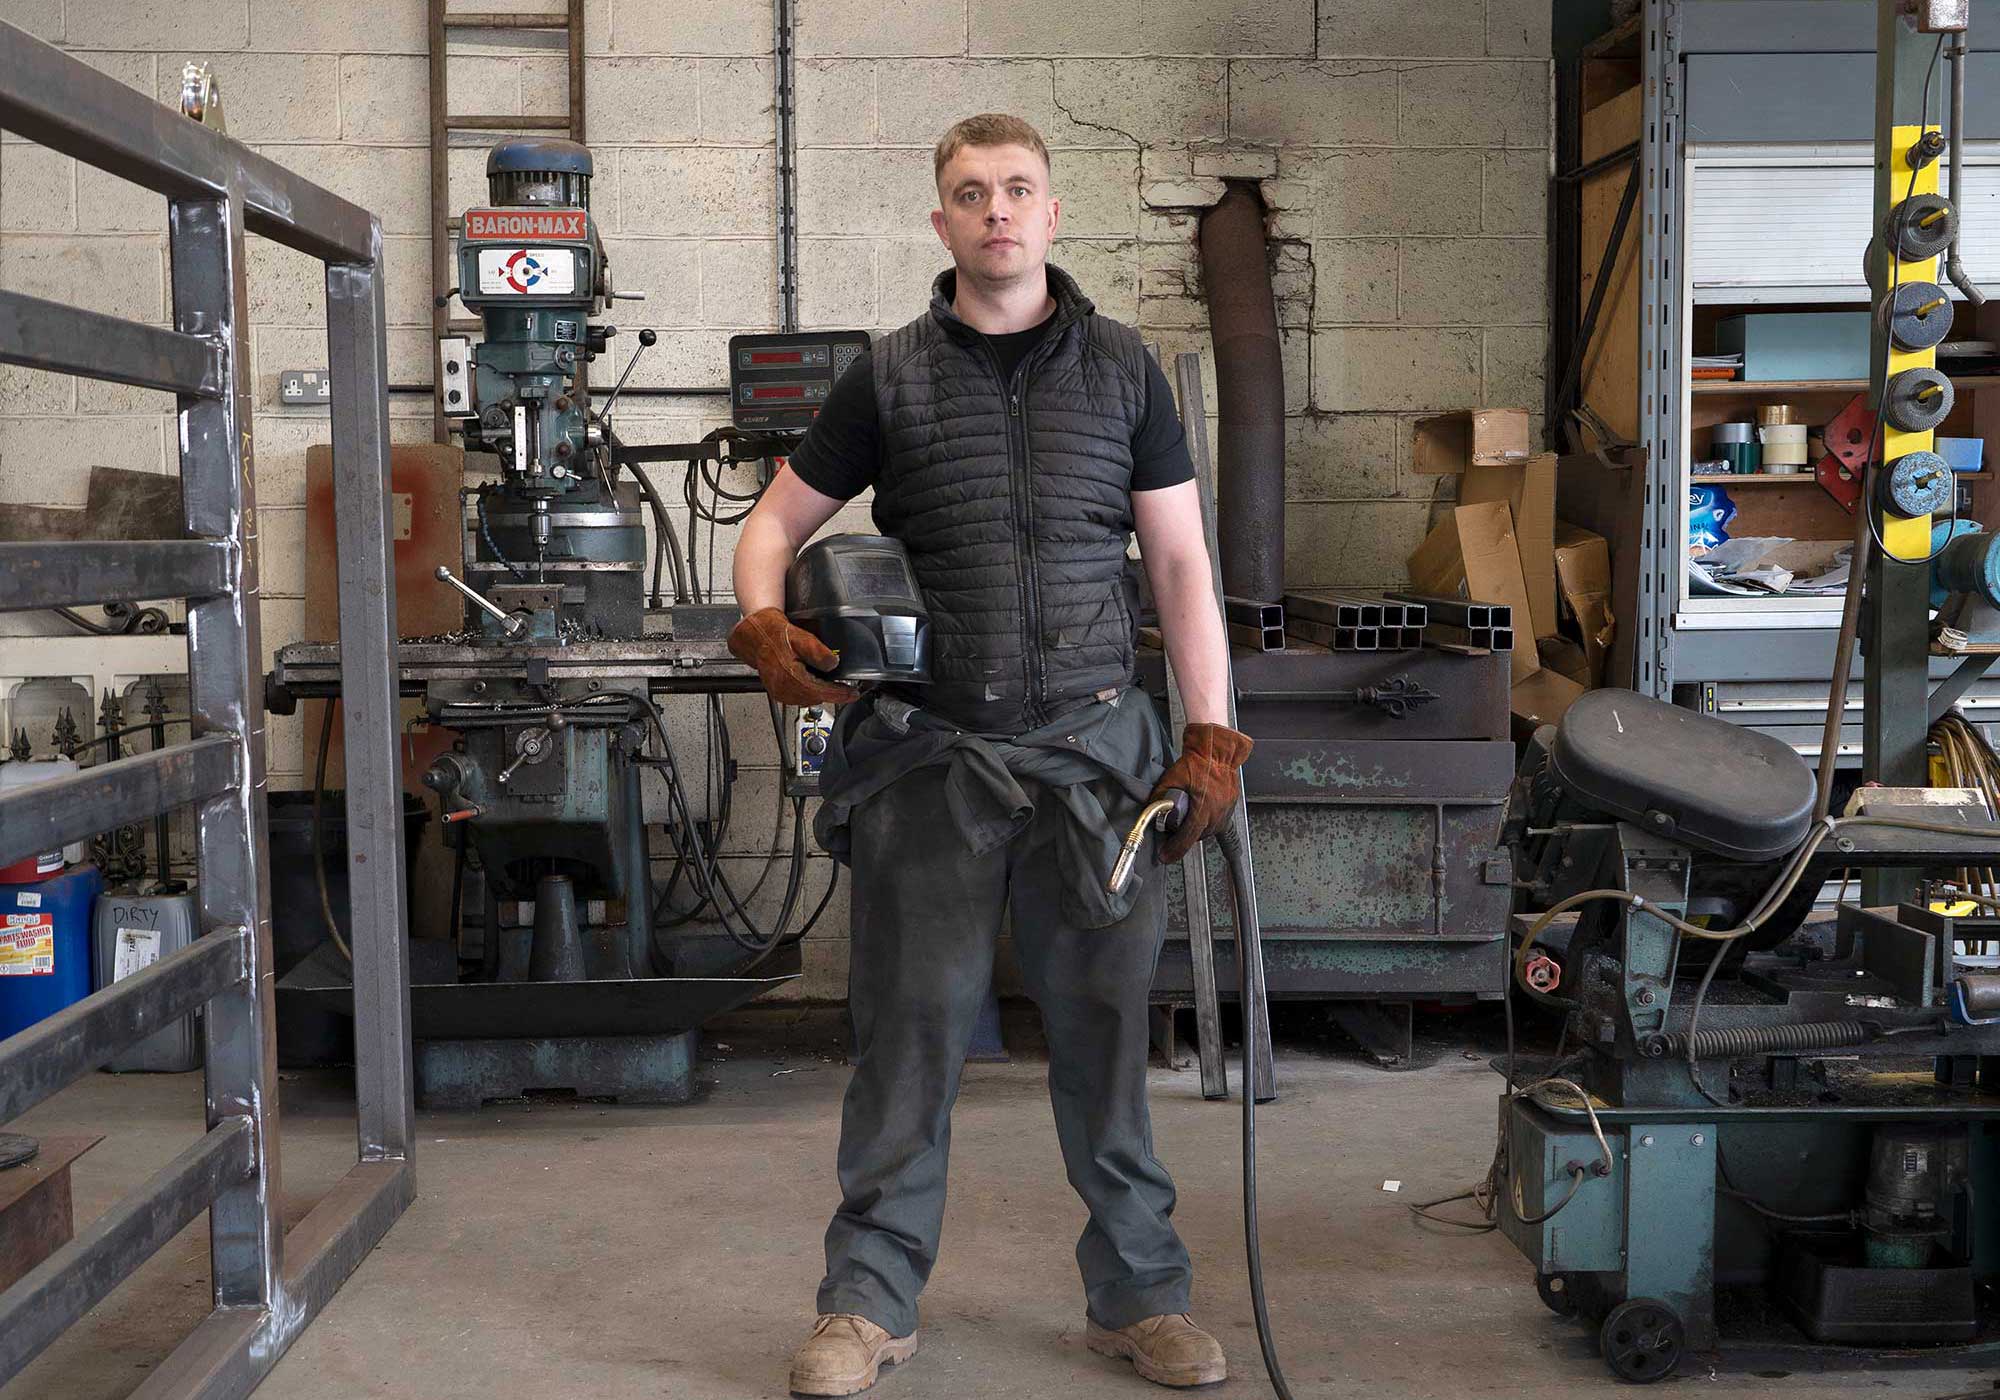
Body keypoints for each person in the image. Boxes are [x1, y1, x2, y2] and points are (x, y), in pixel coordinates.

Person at [727, 112, 1252, 1396]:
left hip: (1093, 755)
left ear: (1052, 213)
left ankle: (1139, 1296)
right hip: (929, 756)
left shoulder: (1126, 371)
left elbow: (1180, 563)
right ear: (942, 222)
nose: (996, 212)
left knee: (1102, 1038)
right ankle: (865, 1304)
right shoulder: (887, 376)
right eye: (971, 194)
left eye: (1017, 189)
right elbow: (771, 519)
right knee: (906, 1041)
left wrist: (1209, 735)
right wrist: (759, 621)